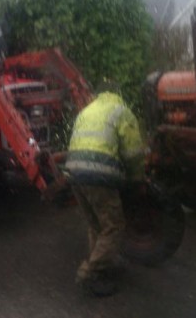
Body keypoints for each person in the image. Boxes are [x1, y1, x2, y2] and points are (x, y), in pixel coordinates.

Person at [64, 80, 145, 297]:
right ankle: (89, 273)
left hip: (73, 173)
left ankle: (101, 265)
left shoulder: (87, 111)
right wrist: (137, 179)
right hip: (98, 175)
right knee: (114, 226)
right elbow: (133, 154)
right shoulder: (122, 112)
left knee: (96, 225)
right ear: (118, 96)